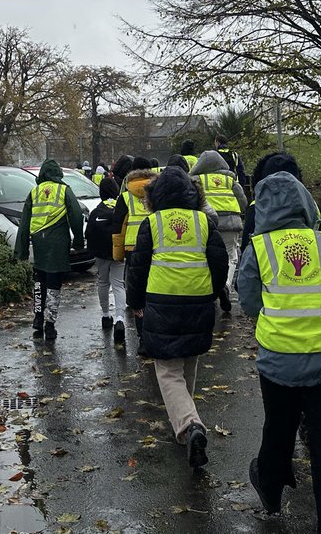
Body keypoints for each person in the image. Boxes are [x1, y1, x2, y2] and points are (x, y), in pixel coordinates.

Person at [237, 169, 321, 531]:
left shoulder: (258, 250)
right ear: (306, 204)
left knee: (279, 428)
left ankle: (270, 486)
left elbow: (248, 303)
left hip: (279, 364)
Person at [126, 167, 228, 469]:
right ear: (192, 193)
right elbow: (219, 261)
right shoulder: (204, 222)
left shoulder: (152, 223)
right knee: (188, 361)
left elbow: (139, 267)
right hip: (198, 300)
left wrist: (135, 303)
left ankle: (189, 425)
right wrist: (212, 293)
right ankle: (187, 427)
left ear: (155, 197)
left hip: (162, 302)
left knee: (168, 370)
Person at [14, 159, 85, 341]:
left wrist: (20, 251)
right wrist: (78, 242)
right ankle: (50, 324)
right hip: (57, 243)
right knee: (54, 284)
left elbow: (24, 224)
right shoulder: (64, 190)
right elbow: (76, 216)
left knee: (39, 281)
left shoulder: (34, 192)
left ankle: (37, 318)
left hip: (39, 243)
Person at [188, 149, 249, 311]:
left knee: (207, 255)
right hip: (231, 222)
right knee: (231, 256)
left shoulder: (196, 179)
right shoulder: (230, 180)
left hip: (206, 222)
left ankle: (209, 289)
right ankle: (226, 285)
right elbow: (243, 200)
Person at [109, 156, 158, 343]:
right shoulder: (158, 192)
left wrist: (118, 254)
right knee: (153, 289)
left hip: (132, 248)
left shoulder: (125, 196)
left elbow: (118, 228)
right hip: (155, 246)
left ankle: (141, 333)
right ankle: (155, 330)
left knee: (136, 290)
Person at [85, 176, 126, 345]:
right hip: (118, 253)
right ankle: (120, 319)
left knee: (103, 283)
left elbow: (88, 233)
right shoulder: (120, 209)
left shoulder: (96, 211)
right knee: (118, 284)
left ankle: (105, 316)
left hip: (101, 254)